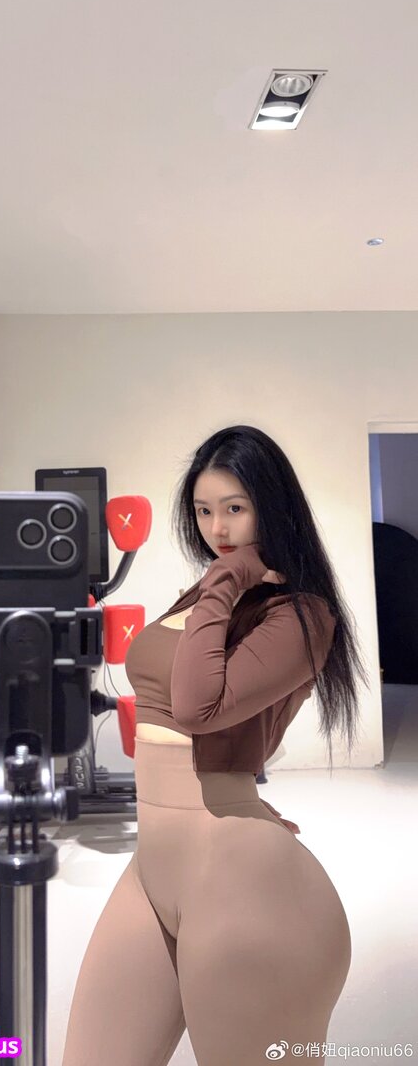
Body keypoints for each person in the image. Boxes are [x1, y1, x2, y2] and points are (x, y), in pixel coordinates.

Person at [61, 425, 368, 1066]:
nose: (218, 529)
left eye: (235, 508)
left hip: (241, 880)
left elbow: (199, 707)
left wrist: (228, 578)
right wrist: (221, 582)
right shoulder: (208, 594)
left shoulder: (300, 614)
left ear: (272, 506)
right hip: (154, 871)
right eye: (203, 511)